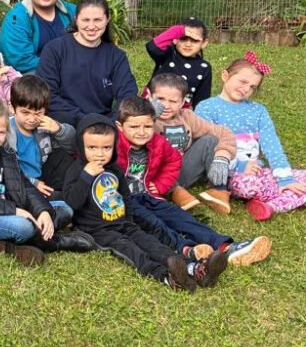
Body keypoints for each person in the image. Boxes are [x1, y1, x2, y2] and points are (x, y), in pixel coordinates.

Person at [61, 115, 225, 291]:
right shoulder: (76, 170)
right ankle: (166, 276)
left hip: (123, 222)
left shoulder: (115, 169)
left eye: (106, 147)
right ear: (81, 146)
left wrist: (129, 220)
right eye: (92, 147)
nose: (100, 153)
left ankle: (195, 269)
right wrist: (86, 176)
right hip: (98, 230)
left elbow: (125, 197)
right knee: (131, 250)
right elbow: (72, 202)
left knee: (151, 243)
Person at [114, 97, 270, 266]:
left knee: (181, 217)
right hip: (125, 201)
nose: (142, 132)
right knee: (153, 223)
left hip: (149, 196)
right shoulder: (113, 144)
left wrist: (161, 184)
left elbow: (173, 161)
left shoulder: (157, 142)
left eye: (148, 126)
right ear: (120, 126)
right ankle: (187, 250)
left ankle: (227, 247)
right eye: (134, 127)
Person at [0, 98, 93, 266]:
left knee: (65, 208)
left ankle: (12, 241)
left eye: (1, 132)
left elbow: (24, 185)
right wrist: (16, 211)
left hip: (8, 205)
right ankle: (53, 242)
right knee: (23, 226)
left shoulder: (5, 151)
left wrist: (42, 210)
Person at [195, 52, 306, 221]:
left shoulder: (258, 110)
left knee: (298, 181)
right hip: (230, 174)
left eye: (252, 87)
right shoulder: (207, 108)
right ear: (225, 76)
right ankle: (282, 195)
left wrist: (285, 179)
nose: (246, 89)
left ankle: (270, 205)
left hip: (258, 171)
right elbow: (207, 147)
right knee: (249, 187)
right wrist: (240, 166)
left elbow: (272, 145)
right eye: (243, 81)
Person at [36, 0, 138, 125]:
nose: (91, 26)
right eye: (85, 20)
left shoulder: (116, 56)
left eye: (97, 20)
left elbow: (128, 95)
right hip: (64, 123)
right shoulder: (55, 49)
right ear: (76, 19)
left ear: (107, 20)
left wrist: (109, 122)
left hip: (104, 125)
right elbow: (47, 94)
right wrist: (85, 121)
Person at [148, 72, 235, 214]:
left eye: (173, 101)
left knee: (210, 140)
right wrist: (149, 116)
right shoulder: (143, 117)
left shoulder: (186, 116)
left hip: (181, 170)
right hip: (156, 174)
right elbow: (130, 136)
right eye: (160, 99)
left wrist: (223, 156)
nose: (166, 105)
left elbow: (222, 132)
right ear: (150, 97)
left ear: (182, 102)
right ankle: (175, 192)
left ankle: (218, 190)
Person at [5, 75, 76, 206]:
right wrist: (34, 183)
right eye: (25, 113)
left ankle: (66, 198)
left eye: (38, 113)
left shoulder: (45, 125)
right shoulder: (7, 132)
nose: (32, 119)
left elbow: (72, 147)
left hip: (42, 175)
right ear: (12, 108)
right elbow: (7, 169)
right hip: (18, 182)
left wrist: (59, 129)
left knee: (63, 157)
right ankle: (54, 203)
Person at [0, 0, 76, 74]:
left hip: (72, 74)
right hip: (30, 80)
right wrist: (64, 67)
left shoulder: (73, 12)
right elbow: (21, 61)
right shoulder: (16, 19)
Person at [145, 18, 212, 106]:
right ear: (175, 39)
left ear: (204, 43)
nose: (188, 44)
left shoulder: (204, 67)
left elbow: (202, 100)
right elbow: (152, 47)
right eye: (183, 39)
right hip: (153, 105)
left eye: (195, 40)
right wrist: (177, 31)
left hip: (180, 110)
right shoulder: (167, 54)